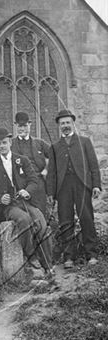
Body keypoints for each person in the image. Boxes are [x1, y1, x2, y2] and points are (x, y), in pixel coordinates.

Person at [0, 127, 54, 278]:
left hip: (26, 203)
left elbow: (34, 180)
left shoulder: (22, 160)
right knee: (24, 219)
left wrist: (27, 191)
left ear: (10, 143)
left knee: (41, 223)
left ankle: (48, 265)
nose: (2, 146)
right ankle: (31, 256)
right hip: (9, 207)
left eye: (4, 143)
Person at [46, 109, 101, 268]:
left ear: (73, 123)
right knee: (65, 221)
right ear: (59, 126)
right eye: (62, 123)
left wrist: (96, 185)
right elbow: (51, 173)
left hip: (82, 185)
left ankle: (91, 254)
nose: (65, 126)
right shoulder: (55, 147)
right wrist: (50, 192)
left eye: (68, 122)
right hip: (63, 188)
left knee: (86, 218)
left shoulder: (84, 142)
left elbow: (94, 165)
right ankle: (69, 257)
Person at [11, 112, 50, 216]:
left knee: (40, 213)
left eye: (24, 125)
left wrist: (46, 170)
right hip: (19, 184)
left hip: (38, 183)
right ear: (16, 126)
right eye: (20, 126)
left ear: (30, 125)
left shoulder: (39, 143)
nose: (22, 129)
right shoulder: (11, 144)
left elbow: (54, 155)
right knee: (23, 215)